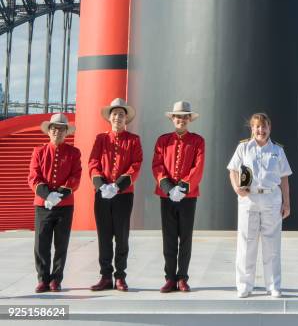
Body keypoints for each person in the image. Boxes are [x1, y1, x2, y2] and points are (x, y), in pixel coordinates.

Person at [227, 112, 292, 298]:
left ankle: (273, 285)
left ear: (269, 128)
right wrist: (236, 188)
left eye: (264, 126)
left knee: (272, 245)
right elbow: (232, 170)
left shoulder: (278, 150)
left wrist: (287, 203)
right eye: (257, 126)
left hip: (272, 198)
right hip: (249, 199)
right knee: (246, 244)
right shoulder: (243, 148)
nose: (260, 130)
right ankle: (244, 286)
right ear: (252, 128)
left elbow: (284, 178)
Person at [88, 98, 143, 292]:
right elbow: (93, 163)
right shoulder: (100, 139)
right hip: (102, 194)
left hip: (123, 194)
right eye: (114, 114)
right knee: (104, 236)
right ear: (109, 118)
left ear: (126, 118)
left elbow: (135, 165)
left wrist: (117, 186)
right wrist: (102, 185)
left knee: (121, 236)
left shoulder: (133, 140)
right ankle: (105, 276)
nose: (117, 117)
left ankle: (120, 276)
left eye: (121, 114)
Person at [152, 100, 205, 293]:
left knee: (185, 238)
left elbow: (197, 167)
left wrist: (181, 188)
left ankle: (182, 277)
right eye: (177, 116)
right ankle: (169, 278)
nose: (181, 120)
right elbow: (157, 165)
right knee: (169, 237)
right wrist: (168, 188)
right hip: (167, 196)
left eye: (184, 117)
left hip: (187, 196)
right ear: (172, 118)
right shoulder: (163, 140)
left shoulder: (198, 140)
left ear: (189, 119)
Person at [28, 113, 82, 293]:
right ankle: (43, 279)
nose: (57, 132)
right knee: (41, 243)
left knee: (61, 244)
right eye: (54, 128)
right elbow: (34, 177)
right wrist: (47, 195)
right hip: (42, 205)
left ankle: (56, 279)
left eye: (61, 129)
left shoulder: (74, 153)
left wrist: (58, 195)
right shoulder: (39, 151)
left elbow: (75, 176)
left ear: (66, 132)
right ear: (49, 131)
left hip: (65, 205)